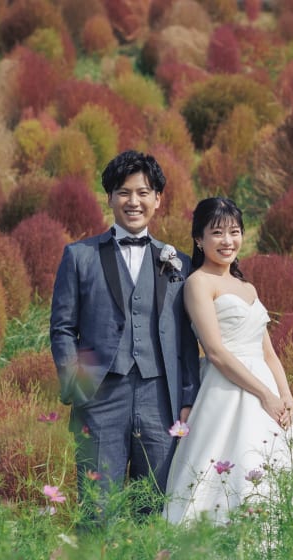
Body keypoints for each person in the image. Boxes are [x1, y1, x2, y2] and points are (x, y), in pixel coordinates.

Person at [164, 197, 293, 529]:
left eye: (234, 231)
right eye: (217, 232)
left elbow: (269, 353)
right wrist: (264, 394)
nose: (227, 241)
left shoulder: (248, 287)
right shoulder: (198, 283)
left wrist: (285, 395)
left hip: (268, 393)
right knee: (233, 469)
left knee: (286, 469)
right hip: (228, 388)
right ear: (199, 239)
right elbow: (215, 351)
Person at [50, 150, 200, 518]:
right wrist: (78, 385)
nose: (134, 201)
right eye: (124, 192)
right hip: (100, 397)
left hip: (159, 399)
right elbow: (63, 327)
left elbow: (186, 339)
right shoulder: (79, 256)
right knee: (98, 508)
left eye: (143, 192)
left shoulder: (177, 261)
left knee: (157, 505)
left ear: (158, 199)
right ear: (110, 198)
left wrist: (187, 398)